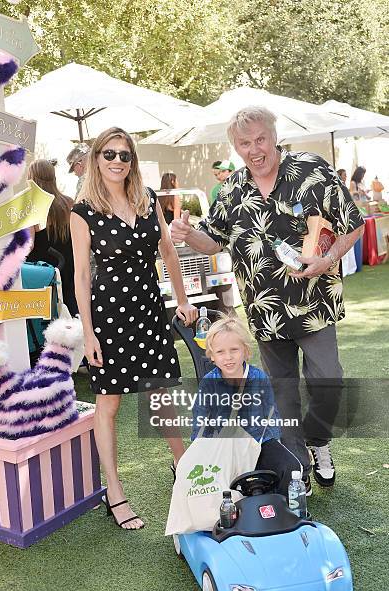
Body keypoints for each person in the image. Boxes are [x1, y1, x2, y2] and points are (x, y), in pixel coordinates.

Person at [171, 106, 364, 494]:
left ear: (274, 135)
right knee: (282, 393)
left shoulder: (312, 170)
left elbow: (353, 223)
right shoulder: (231, 190)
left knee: (329, 380)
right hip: (265, 310)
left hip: (315, 303)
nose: (254, 149)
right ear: (235, 147)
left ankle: (319, 441)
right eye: (245, 143)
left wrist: (326, 259)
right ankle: (298, 470)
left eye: (260, 139)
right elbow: (215, 239)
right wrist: (188, 235)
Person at [70, 126, 198, 530]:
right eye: (109, 154)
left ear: (133, 161)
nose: (117, 162)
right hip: (108, 315)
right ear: (96, 159)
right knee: (109, 403)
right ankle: (115, 491)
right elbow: (81, 275)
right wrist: (88, 333)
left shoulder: (147, 200)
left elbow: (167, 251)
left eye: (124, 155)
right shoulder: (82, 211)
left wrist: (182, 299)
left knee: (160, 392)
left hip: (148, 309)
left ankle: (182, 464)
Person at [191, 316, 302, 497]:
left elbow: (271, 416)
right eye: (220, 352)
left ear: (245, 351)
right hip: (225, 447)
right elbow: (200, 419)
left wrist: (271, 446)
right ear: (212, 356)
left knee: (289, 466)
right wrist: (199, 450)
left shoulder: (258, 378)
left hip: (259, 444)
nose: (228, 357)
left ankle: (283, 508)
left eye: (234, 350)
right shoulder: (209, 383)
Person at [27, 159, 78, 317]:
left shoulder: (32, 206)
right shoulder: (69, 203)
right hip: (70, 270)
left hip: (44, 274)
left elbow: (28, 244)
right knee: (72, 317)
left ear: (32, 178)